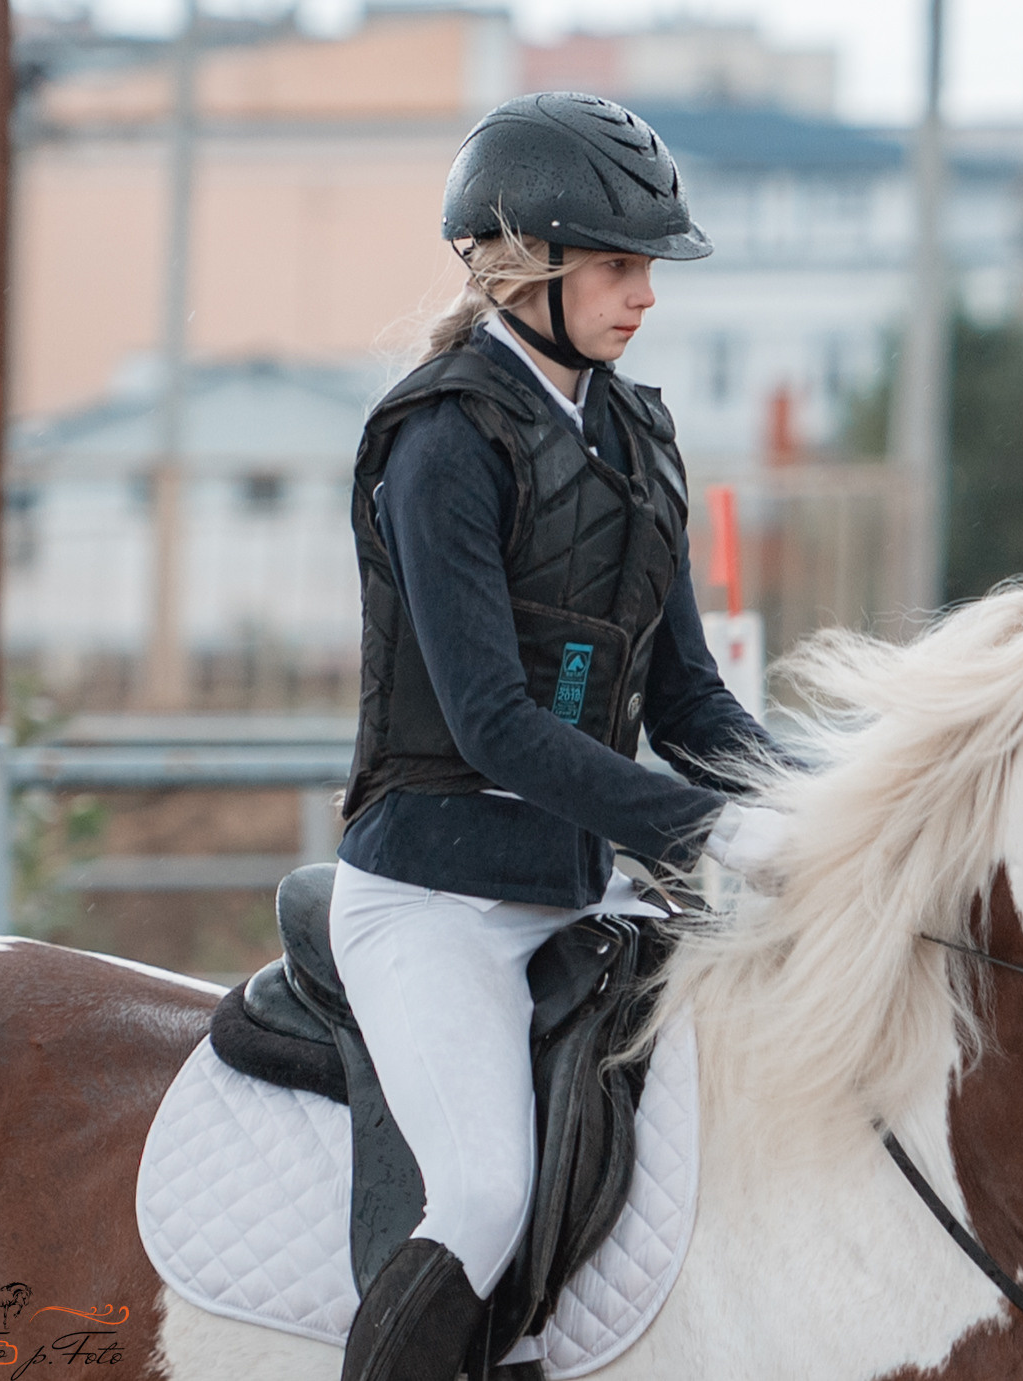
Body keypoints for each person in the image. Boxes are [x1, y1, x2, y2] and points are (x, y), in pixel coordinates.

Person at [328, 91, 784, 1381]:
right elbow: (494, 726)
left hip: (578, 894)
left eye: (649, 267)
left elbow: (690, 704)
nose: (647, 295)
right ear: (530, 260)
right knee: (484, 1198)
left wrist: (826, 804)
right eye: (622, 265)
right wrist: (708, 829)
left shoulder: (639, 435)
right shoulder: (442, 439)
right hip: (433, 902)